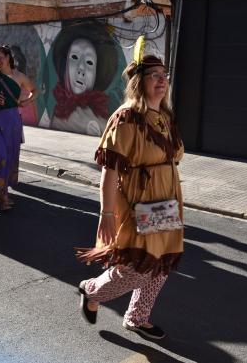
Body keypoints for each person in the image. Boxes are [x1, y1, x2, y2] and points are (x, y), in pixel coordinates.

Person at [75, 55, 184, 340]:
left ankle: (137, 317)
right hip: (137, 203)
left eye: (164, 74)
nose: (162, 80)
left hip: (164, 203)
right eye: (153, 75)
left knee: (159, 266)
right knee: (136, 269)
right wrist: (106, 213)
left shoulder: (165, 116)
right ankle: (91, 290)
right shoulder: (126, 117)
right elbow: (110, 171)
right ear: (139, 82)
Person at [0, 45, 37, 211]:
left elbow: (35, 90)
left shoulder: (19, 76)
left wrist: (27, 101)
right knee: (1, 153)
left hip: (12, 120)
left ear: (8, 57)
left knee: (10, 156)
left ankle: (2, 193)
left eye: (0, 57)